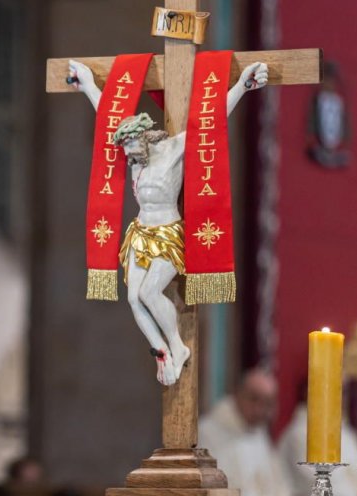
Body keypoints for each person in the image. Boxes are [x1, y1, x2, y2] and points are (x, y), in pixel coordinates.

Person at [67, 59, 268, 386]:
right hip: (140, 232)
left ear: (144, 137)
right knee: (133, 298)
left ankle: (177, 345)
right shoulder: (133, 153)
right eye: (126, 150)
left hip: (167, 232)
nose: (129, 155)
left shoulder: (173, 148)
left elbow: (211, 121)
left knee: (149, 292)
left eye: (132, 147)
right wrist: (88, 84)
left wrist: (243, 86)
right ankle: (162, 351)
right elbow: (107, 116)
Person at [198, 368, 293, 495]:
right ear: (238, 393)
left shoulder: (260, 433)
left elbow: (280, 484)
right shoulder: (207, 432)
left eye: (267, 403)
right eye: (254, 399)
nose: (260, 409)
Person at [278, 379, 357, 495]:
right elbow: (320, 483)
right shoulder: (299, 434)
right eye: (335, 390)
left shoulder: (347, 433)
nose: (341, 398)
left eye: (343, 392)